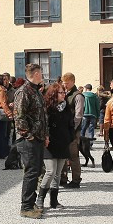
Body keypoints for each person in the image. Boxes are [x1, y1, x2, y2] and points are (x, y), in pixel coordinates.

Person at [14, 63, 48, 219]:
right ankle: (26, 207)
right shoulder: (24, 92)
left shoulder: (36, 91)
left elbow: (42, 116)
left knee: (37, 171)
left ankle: (31, 203)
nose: (43, 75)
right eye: (41, 73)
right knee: (31, 172)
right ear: (35, 74)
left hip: (38, 138)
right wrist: (29, 135)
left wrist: (45, 135)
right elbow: (19, 117)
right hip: (28, 140)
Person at [37, 82, 74, 210]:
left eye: (64, 92)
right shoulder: (47, 108)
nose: (64, 94)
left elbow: (71, 125)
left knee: (58, 173)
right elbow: (43, 125)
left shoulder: (66, 108)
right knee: (50, 171)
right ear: (54, 94)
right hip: (50, 143)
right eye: (61, 92)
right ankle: (40, 198)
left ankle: (54, 201)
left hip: (63, 143)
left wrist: (70, 138)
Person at [60, 73, 84, 188]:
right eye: (64, 83)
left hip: (73, 130)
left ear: (73, 82)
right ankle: (63, 178)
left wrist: (72, 129)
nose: (65, 85)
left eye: (67, 83)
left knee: (73, 155)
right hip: (64, 129)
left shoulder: (78, 96)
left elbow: (78, 115)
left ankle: (76, 180)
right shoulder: (64, 93)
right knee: (63, 155)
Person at [80, 84, 100, 167]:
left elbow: (81, 106)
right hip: (93, 114)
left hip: (85, 114)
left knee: (83, 129)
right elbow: (97, 106)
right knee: (92, 129)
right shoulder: (95, 96)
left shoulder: (83, 95)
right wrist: (98, 115)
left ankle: (81, 142)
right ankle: (90, 143)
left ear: (86, 88)